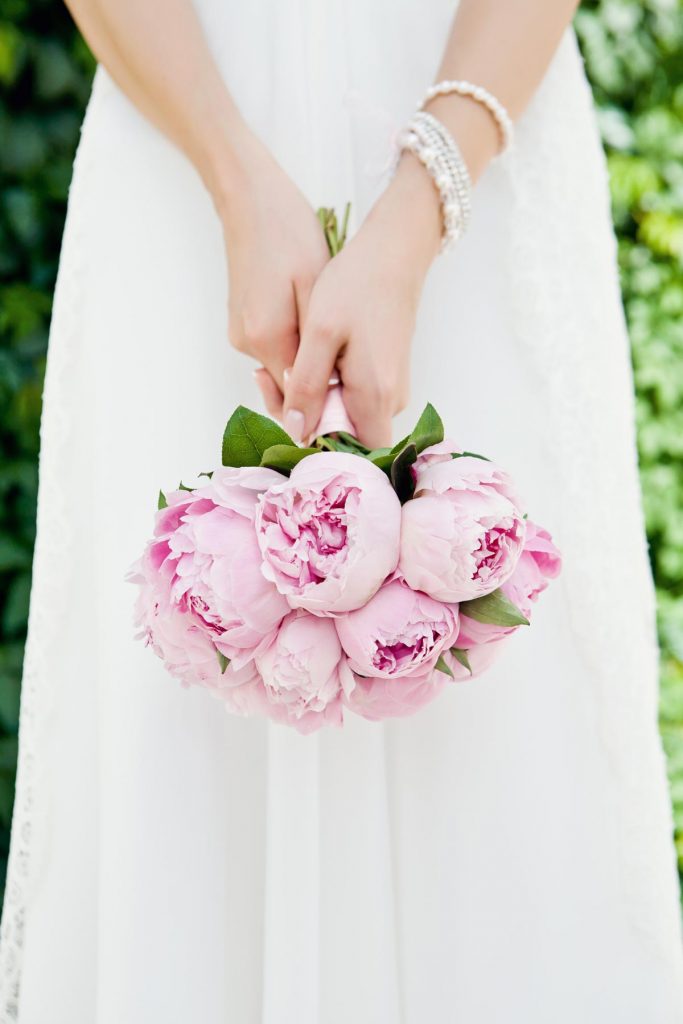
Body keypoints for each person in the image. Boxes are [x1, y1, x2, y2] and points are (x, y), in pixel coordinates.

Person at [1, 1, 682, 1021]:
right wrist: (235, 179)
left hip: (476, 129)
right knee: (180, 737)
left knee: (501, 747)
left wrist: (413, 223)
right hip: (185, 135)